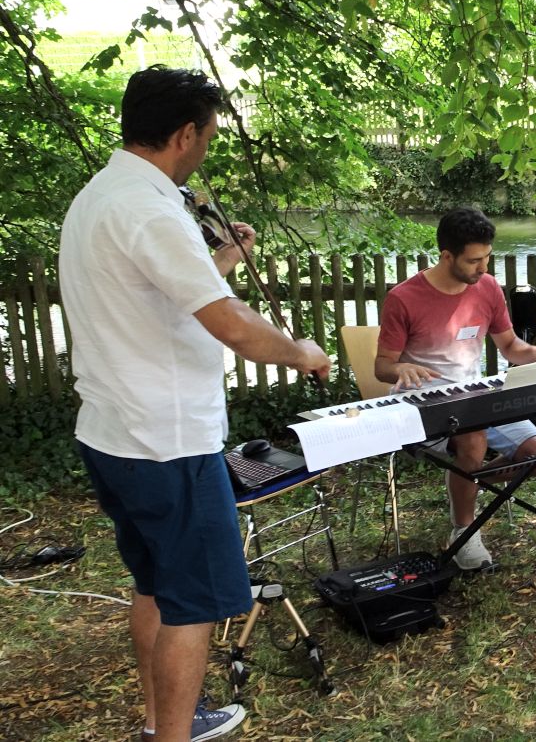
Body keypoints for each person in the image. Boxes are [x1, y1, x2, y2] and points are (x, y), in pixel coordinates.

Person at [59, 66, 331, 742]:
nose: (207, 149)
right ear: (185, 134)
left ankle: (162, 720)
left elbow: (172, 296)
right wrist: (300, 350)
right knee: (195, 604)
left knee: (154, 583)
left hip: (114, 435)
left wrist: (227, 256)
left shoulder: (101, 196)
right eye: (208, 136)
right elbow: (232, 324)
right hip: (168, 442)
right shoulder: (152, 209)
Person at [374, 206, 536, 571]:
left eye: (487, 258)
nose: (483, 268)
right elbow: (382, 368)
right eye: (474, 260)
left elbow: (511, 347)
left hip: (476, 395)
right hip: (421, 407)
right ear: (446, 256)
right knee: (474, 440)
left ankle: (467, 482)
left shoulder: (488, 288)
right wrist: (401, 368)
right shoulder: (403, 298)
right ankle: (464, 532)